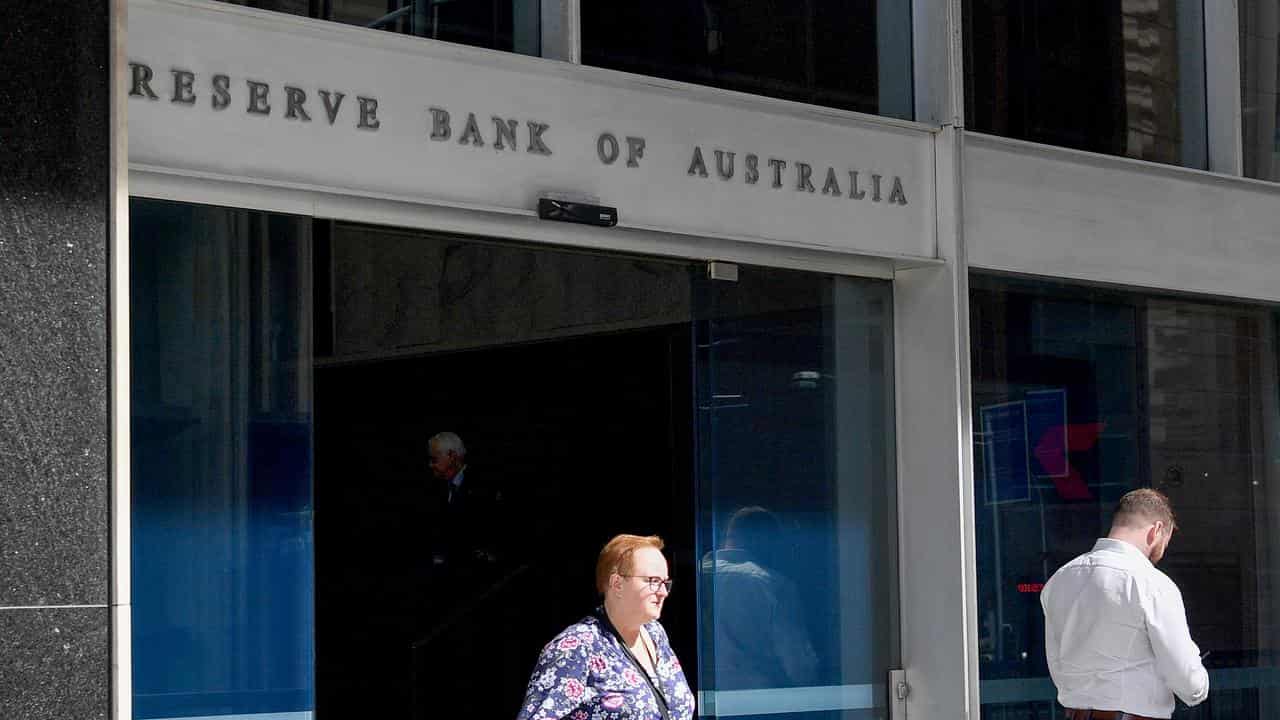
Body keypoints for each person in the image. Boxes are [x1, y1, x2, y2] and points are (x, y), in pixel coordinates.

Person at [1041, 488, 1208, 720]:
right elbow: (1184, 675)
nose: (1161, 552)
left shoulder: (1060, 579)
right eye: (1165, 542)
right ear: (1156, 530)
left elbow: (1056, 663)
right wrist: (1199, 687)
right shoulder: (1151, 582)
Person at [516, 534, 695, 720]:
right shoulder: (576, 647)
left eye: (665, 583)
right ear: (617, 584)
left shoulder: (655, 633)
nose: (663, 592)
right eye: (652, 581)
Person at [700, 506, 817, 690]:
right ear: (768, 540)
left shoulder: (695, 576)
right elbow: (798, 665)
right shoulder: (774, 584)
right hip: (758, 700)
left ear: (727, 537)